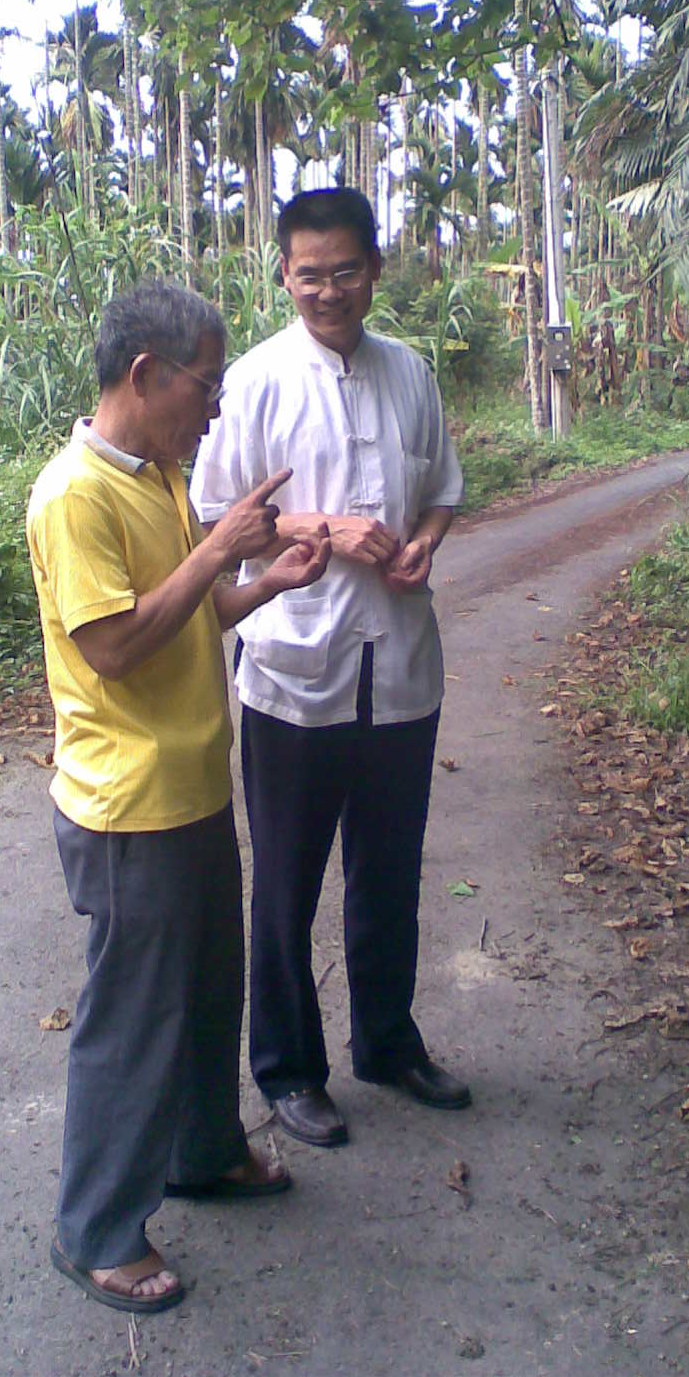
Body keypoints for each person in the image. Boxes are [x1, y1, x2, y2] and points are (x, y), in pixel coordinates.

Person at [26, 282, 329, 1313]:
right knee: (133, 1020)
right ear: (146, 374)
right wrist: (215, 547)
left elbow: (187, 616)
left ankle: (203, 1154)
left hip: (192, 784)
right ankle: (97, 1228)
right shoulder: (75, 495)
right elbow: (113, 648)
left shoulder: (157, 473)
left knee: (206, 998)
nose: (216, 405)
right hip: (127, 807)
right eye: (208, 381)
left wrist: (265, 582)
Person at [190, 187, 468, 1149]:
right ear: (284, 275)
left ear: (374, 271)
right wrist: (321, 528)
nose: (328, 290)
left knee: (389, 872)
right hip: (292, 666)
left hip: (398, 665)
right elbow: (217, 517)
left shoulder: (410, 374)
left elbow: (440, 493)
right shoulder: (259, 380)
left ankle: (386, 1042)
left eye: (345, 270)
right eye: (309, 273)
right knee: (287, 879)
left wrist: (424, 540)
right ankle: (288, 1069)